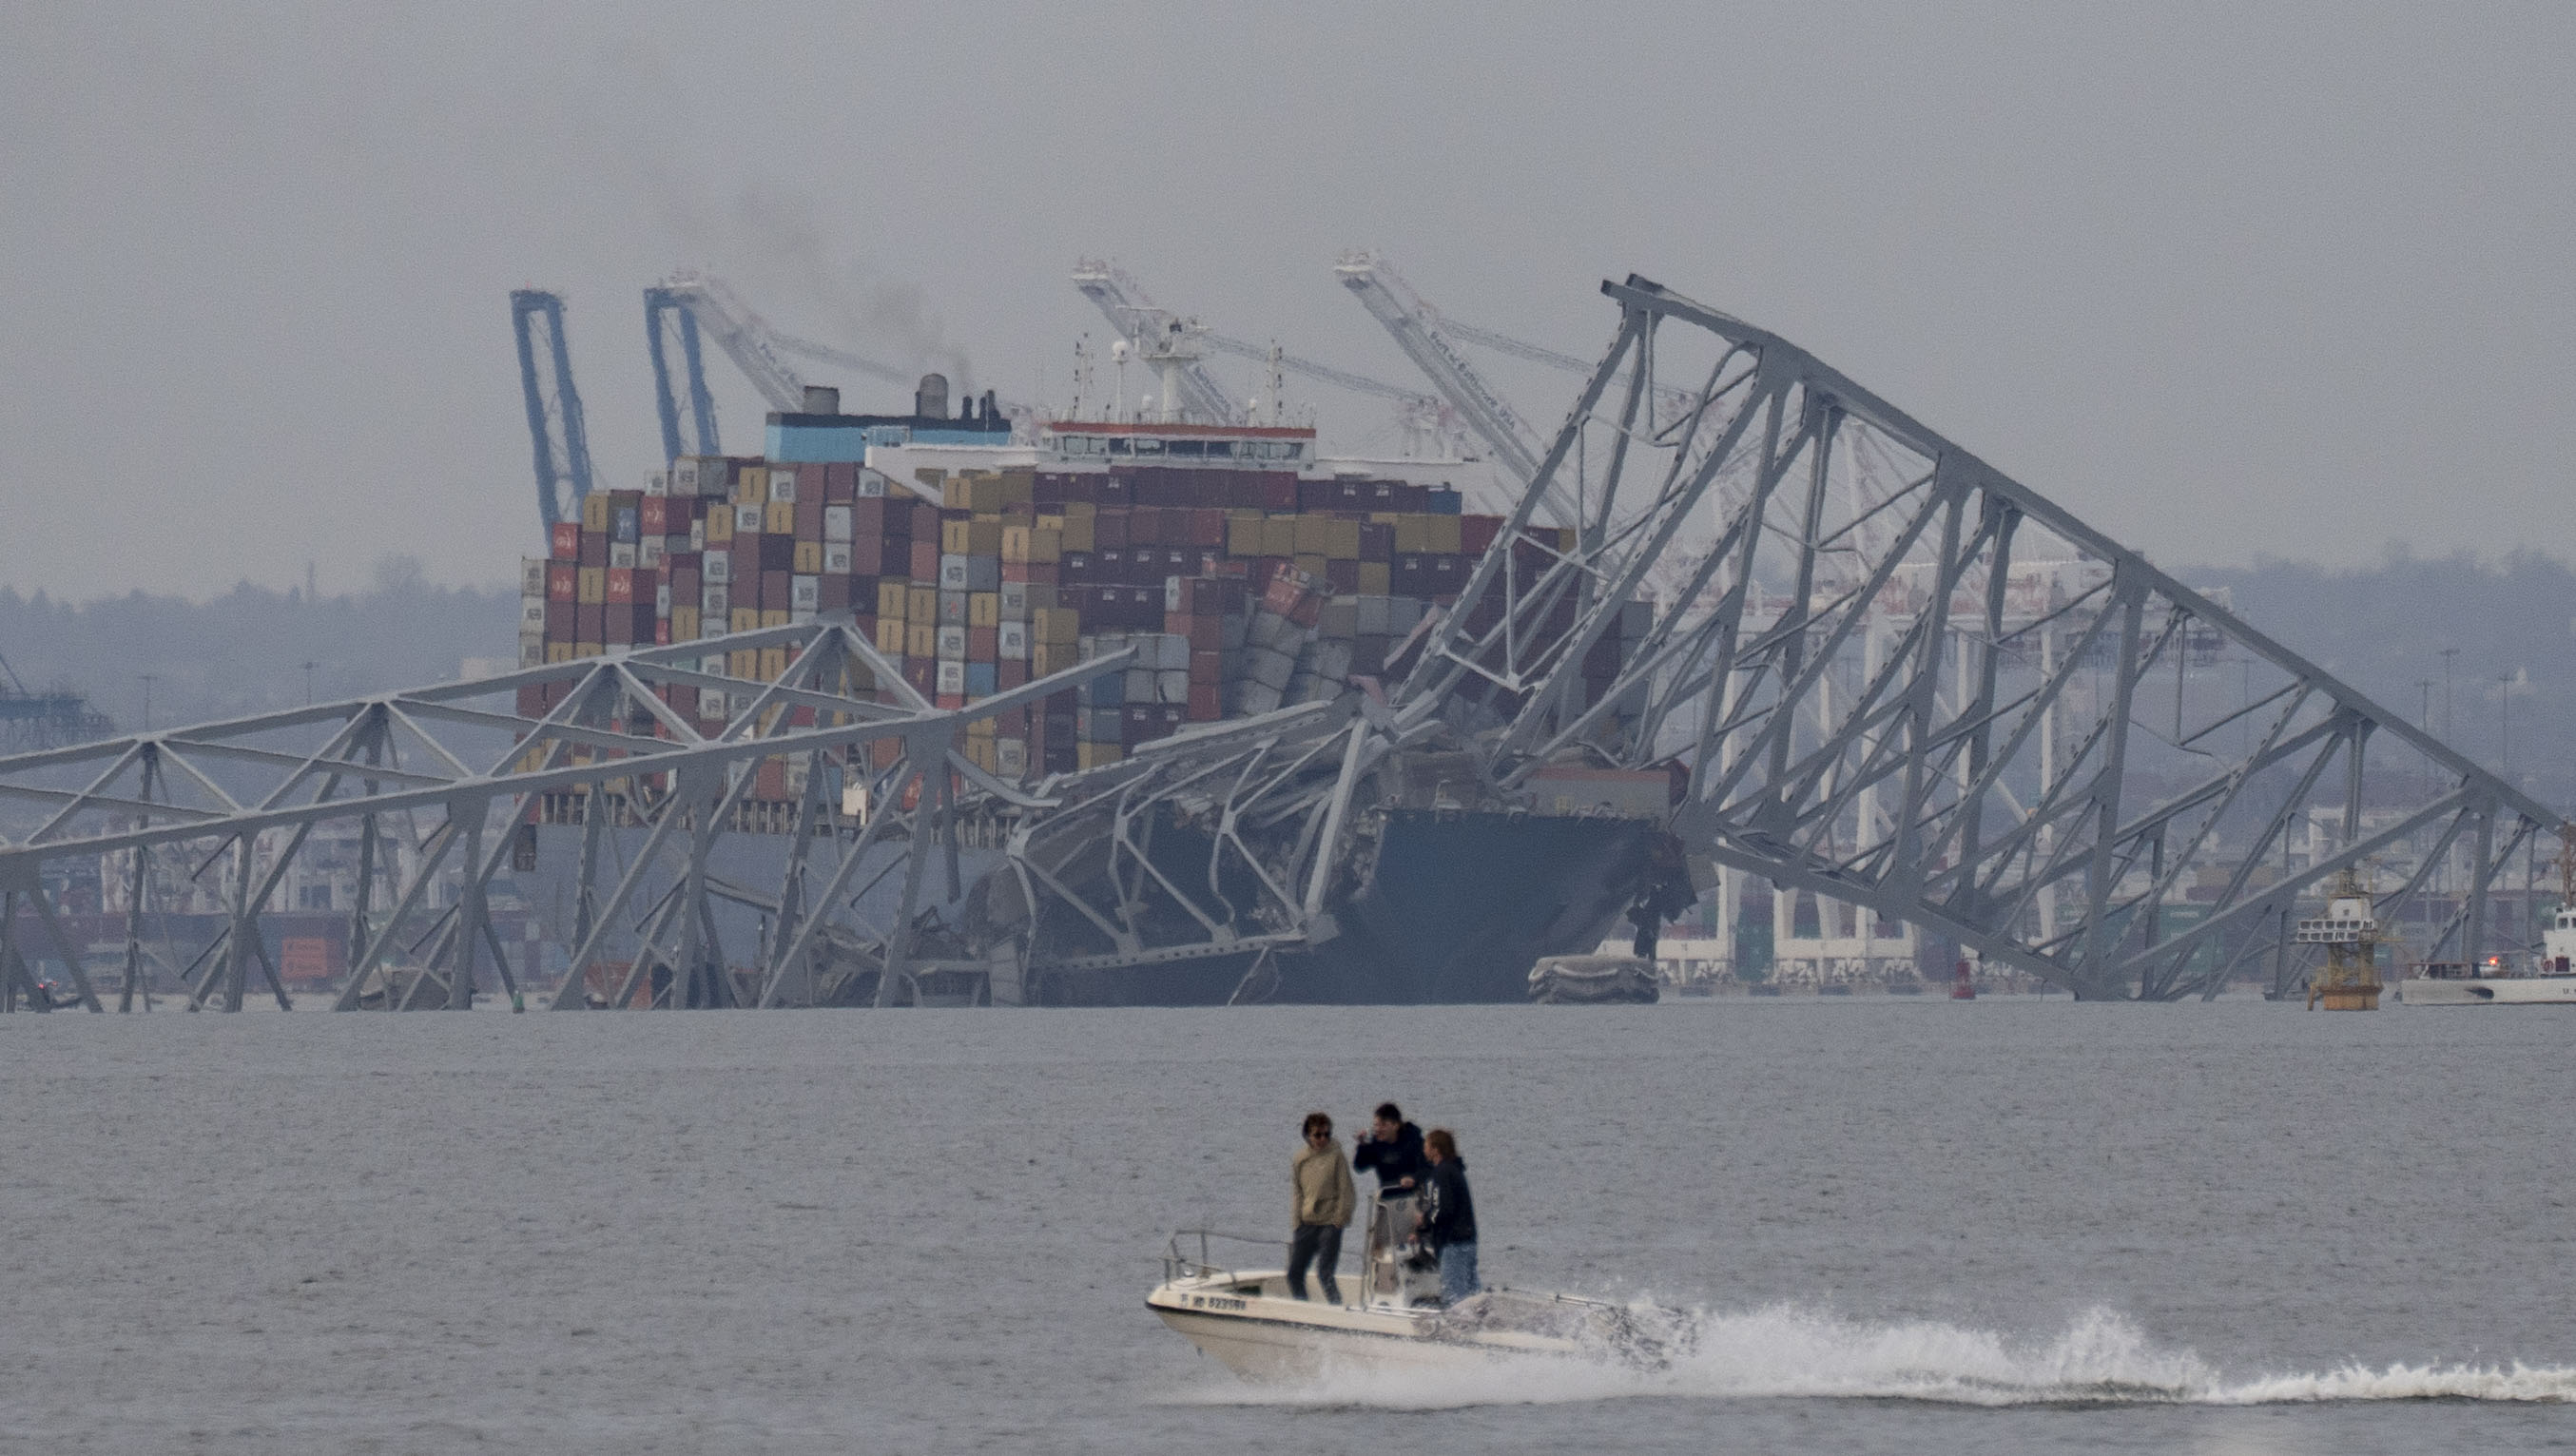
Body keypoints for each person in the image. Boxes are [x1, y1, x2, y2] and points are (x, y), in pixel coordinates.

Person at [1287, 1112, 1355, 1304]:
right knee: (1294, 1274)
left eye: (1327, 1134)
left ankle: (1337, 1309)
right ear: (1308, 1135)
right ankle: (1303, 1309)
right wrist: (1296, 1222)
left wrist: (1339, 1220)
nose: (1322, 1139)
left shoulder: (1336, 1156)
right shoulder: (1300, 1159)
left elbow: (1346, 1190)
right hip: (1306, 1223)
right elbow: (1298, 1192)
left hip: (1330, 1223)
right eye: (1318, 1135)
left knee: (1324, 1272)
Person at [1415, 1127, 1479, 1306]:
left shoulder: (1441, 1173)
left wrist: (1424, 1220)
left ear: (1435, 1150)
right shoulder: (1456, 1170)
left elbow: (1443, 1209)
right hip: (1468, 1240)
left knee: (1454, 1296)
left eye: (1426, 1146)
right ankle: (1480, 1325)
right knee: (1471, 1292)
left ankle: (1457, 1328)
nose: (1424, 1150)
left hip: (1453, 1243)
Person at [1352, 1102, 1426, 1193]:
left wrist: (1415, 1179)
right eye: (1376, 1125)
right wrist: (1362, 1145)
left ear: (1396, 1125)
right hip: (1387, 1197)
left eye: (1383, 1125)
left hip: (1414, 1196)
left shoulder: (1413, 1139)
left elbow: (1429, 1166)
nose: (1378, 1129)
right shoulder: (1375, 1144)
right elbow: (1359, 1167)